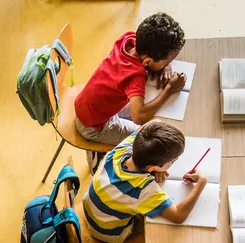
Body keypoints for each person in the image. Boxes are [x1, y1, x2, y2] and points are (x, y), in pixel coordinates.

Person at [74, 12, 188, 146]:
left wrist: (164, 66)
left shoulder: (128, 39)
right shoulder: (134, 76)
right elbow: (138, 116)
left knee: (152, 112)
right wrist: (170, 88)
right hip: (94, 127)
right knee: (148, 138)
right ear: (147, 62)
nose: (168, 65)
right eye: (166, 62)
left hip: (89, 106)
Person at [85, 122, 208, 243]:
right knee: (157, 227)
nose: (173, 163)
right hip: (109, 233)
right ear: (152, 167)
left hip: (91, 211)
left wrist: (155, 170)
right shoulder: (143, 189)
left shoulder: (122, 149)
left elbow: (155, 122)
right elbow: (178, 216)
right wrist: (201, 182)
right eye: (172, 162)